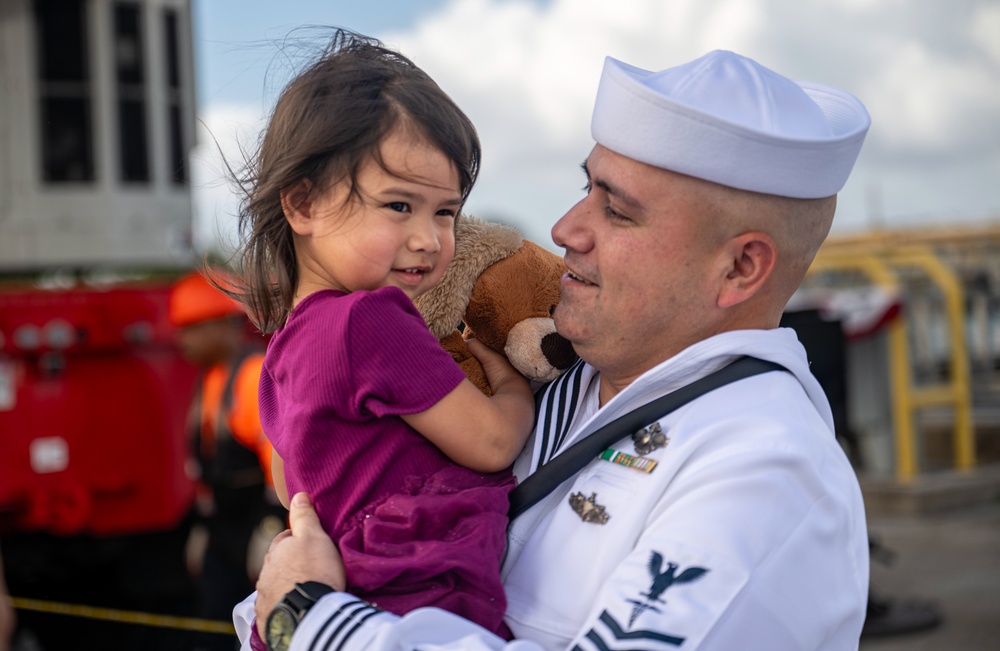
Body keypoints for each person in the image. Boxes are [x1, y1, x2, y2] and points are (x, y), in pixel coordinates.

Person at [238, 46, 874, 651]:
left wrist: (308, 619)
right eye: (585, 188)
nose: (565, 228)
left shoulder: (764, 473)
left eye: (617, 212)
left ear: (739, 268)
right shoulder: (561, 385)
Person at [227, 31, 535, 647]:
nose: (428, 237)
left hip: (350, 586)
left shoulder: (282, 352)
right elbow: (494, 441)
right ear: (303, 205)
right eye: (399, 206)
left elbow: (294, 487)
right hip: (418, 589)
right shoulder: (371, 320)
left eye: (444, 211)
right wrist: (509, 383)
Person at [169, 270, 281, 650]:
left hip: (255, 528)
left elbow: (277, 461)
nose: (181, 339)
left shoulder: (252, 376)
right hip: (222, 529)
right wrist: (204, 525)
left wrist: (270, 529)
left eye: (190, 328)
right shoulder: (210, 378)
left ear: (222, 324)